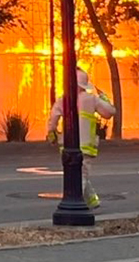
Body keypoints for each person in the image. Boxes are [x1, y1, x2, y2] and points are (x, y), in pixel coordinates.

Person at [46, 68, 116, 209]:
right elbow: (109, 112)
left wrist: (51, 133)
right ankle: (83, 202)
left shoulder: (63, 100)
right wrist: (105, 99)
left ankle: (85, 203)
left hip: (67, 146)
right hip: (86, 145)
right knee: (82, 173)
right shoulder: (92, 99)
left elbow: (52, 120)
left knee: (78, 173)